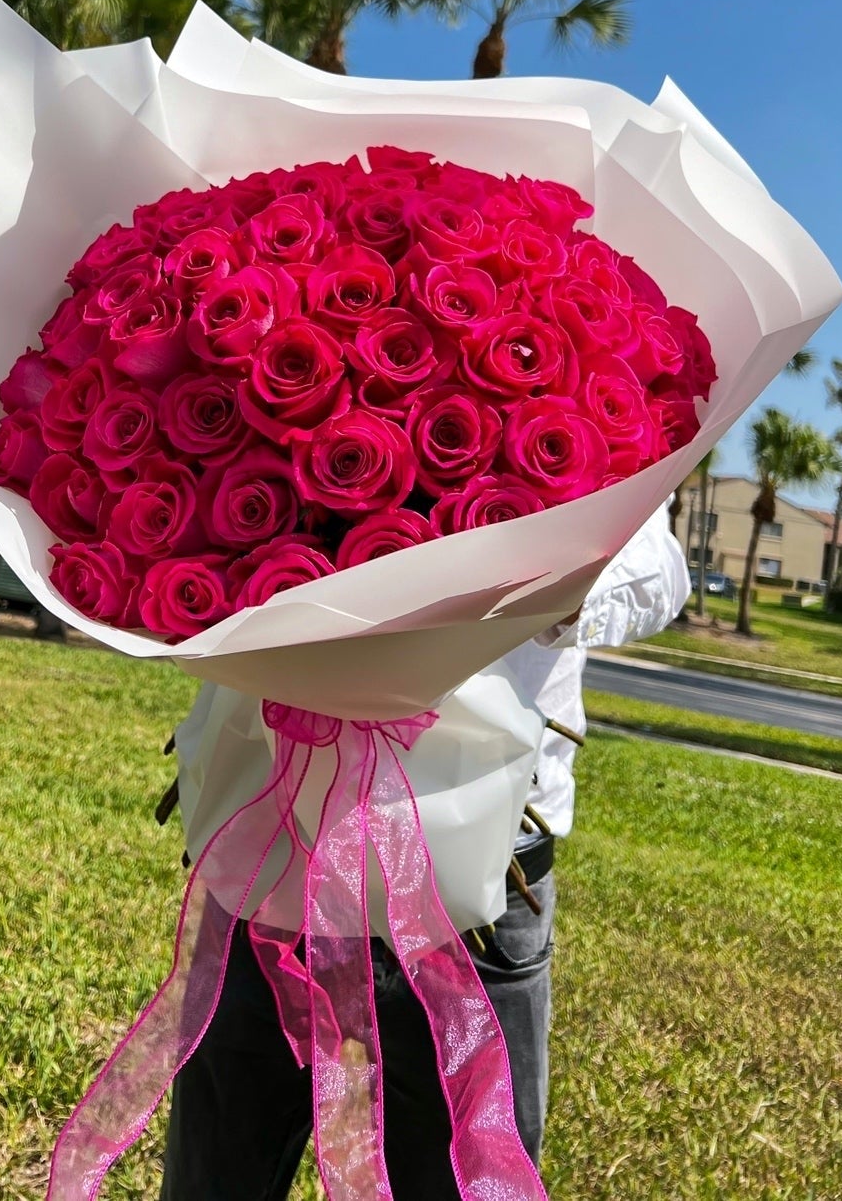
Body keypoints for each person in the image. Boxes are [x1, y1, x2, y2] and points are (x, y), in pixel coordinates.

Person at [159, 504, 689, 1201]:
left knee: (463, 1177)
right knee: (220, 1163)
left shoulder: (599, 417)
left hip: (482, 873)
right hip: (278, 832)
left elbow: (659, 566)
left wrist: (556, 586)